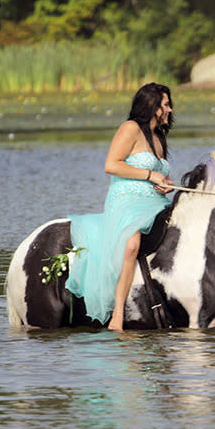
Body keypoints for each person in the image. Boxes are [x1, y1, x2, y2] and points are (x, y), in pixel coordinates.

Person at [66, 83, 175, 330]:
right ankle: (117, 315)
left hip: (155, 202)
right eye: (165, 104)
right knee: (132, 244)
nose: (170, 109)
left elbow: (158, 175)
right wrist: (149, 175)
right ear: (152, 106)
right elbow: (111, 165)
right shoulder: (130, 128)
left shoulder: (159, 137)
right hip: (126, 200)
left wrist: (165, 183)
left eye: (169, 104)